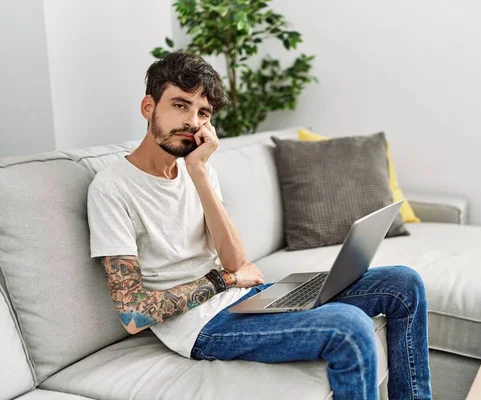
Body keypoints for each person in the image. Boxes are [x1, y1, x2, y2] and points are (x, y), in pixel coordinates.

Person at [87, 52, 432, 400]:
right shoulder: (112, 187)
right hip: (204, 327)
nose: (192, 122)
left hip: (250, 297)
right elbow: (134, 314)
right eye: (180, 105)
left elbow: (236, 261)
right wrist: (225, 279)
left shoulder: (199, 170)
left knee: (404, 283)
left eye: (202, 113)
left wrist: (199, 175)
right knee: (350, 327)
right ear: (148, 107)